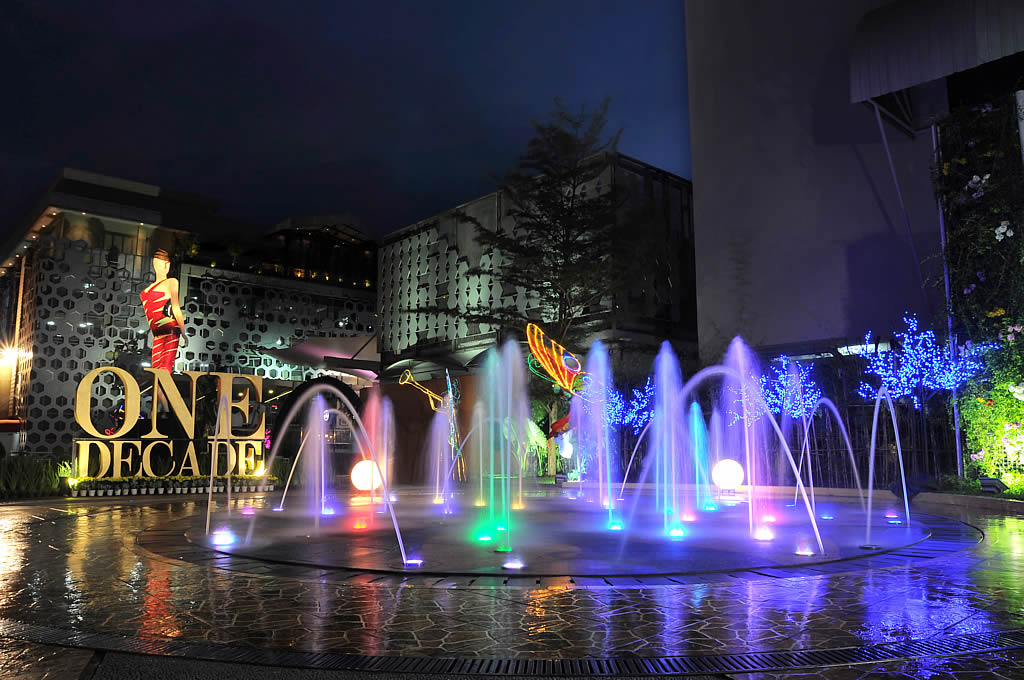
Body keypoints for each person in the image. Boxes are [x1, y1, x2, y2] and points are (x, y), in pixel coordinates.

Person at [140, 248, 187, 374]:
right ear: (156, 265)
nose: (166, 267)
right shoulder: (147, 291)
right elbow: (174, 308)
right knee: (158, 371)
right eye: (164, 264)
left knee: (163, 369)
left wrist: (182, 331)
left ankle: (163, 387)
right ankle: (160, 388)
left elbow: (175, 308)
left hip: (169, 330)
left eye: (167, 264)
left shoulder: (170, 282)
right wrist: (183, 332)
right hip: (159, 334)